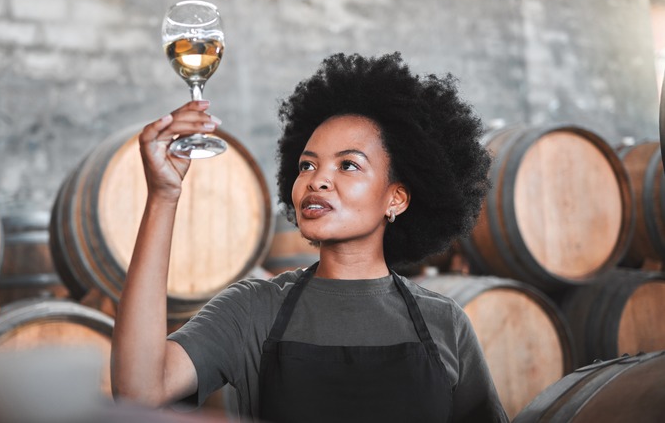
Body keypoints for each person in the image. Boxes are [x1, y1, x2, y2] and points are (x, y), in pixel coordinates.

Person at [112, 52, 509, 422]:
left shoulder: (445, 322)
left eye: (348, 165)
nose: (316, 180)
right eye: (307, 165)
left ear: (397, 198)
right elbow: (139, 391)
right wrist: (164, 195)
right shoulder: (253, 309)